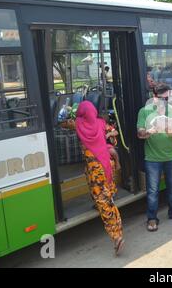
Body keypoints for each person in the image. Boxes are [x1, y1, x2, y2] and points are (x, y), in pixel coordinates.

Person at [75, 100, 124, 256]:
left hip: (94, 170)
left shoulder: (78, 124)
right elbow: (115, 132)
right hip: (105, 165)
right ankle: (117, 230)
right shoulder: (101, 123)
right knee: (106, 198)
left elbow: (62, 123)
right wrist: (107, 134)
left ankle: (116, 236)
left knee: (105, 203)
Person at [137, 83, 172, 232]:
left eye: (167, 98)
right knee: (153, 190)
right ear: (154, 96)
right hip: (152, 158)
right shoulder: (144, 111)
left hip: (171, 156)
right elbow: (139, 133)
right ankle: (152, 218)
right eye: (161, 98)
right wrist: (148, 131)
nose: (164, 102)